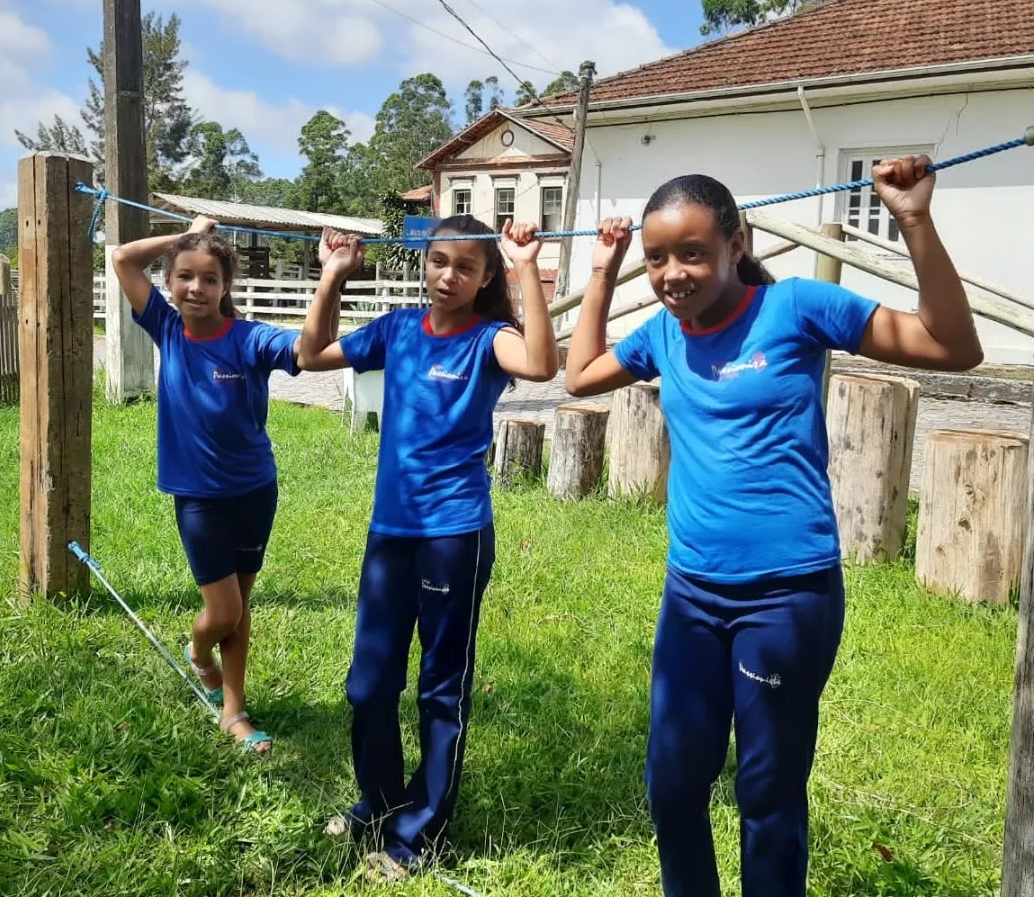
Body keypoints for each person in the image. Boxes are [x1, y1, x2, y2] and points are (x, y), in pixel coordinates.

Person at [564, 157, 982, 896]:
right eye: (656, 258)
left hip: (786, 599)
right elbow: (580, 374)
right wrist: (603, 269)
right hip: (691, 596)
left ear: (737, 243)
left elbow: (952, 347)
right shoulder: (663, 335)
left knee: (767, 798)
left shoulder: (796, 308)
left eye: (692, 252)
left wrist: (913, 218)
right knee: (672, 788)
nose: (672, 274)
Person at [298, 215, 558, 881]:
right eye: (438, 262)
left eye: (464, 267)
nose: (447, 276)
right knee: (369, 683)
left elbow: (540, 363)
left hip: (454, 537)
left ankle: (418, 833)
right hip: (391, 534)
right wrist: (332, 276)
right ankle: (379, 804)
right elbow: (312, 354)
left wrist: (525, 261)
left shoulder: (490, 338)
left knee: (441, 691)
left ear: (484, 276)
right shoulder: (397, 330)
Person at [112, 215, 320, 755]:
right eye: (184, 275)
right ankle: (199, 652)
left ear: (226, 286)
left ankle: (234, 711)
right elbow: (122, 258)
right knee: (222, 612)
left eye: (209, 278)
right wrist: (186, 233)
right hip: (198, 497)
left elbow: (304, 351)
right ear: (170, 282)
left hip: (254, 490)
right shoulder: (165, 327)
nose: (195, 288)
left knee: (240, 608)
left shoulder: (248, 339)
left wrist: (332, 277)